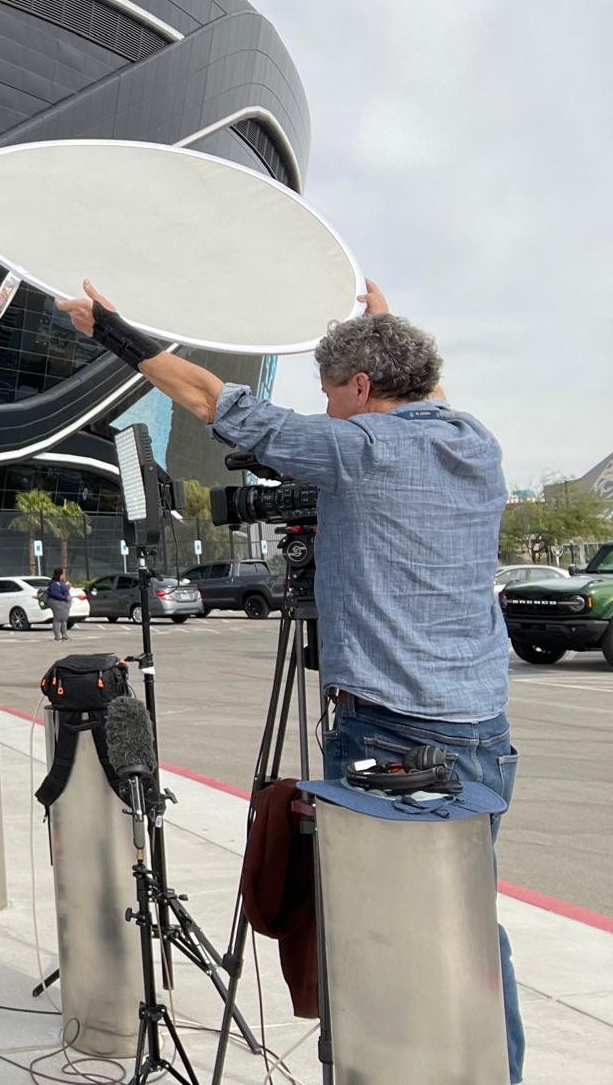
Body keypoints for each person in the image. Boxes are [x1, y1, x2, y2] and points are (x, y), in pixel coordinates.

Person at [58, 276, 523, 1083]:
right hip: (480, 730)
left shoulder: (359, 447)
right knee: (470, 921)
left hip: (391, 734)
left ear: (363, 387)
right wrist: (382, 318)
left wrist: (109, 328)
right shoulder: (472, 439)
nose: (328, 407)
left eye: (332, 392)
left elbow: (210, 397)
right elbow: (424, 385)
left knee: (375, 929)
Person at [46, 567, 73, 641]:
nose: (64, 575)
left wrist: (68, 587)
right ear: (60, 575)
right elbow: (55, 594)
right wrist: (65, 598)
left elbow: (64, 590)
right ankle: (57, 635)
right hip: (57, 603)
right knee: (58, 619)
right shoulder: (54, 584)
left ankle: (64, 634)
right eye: (63, 574)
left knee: (64, 619)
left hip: (64, 603)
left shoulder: (61, 583)